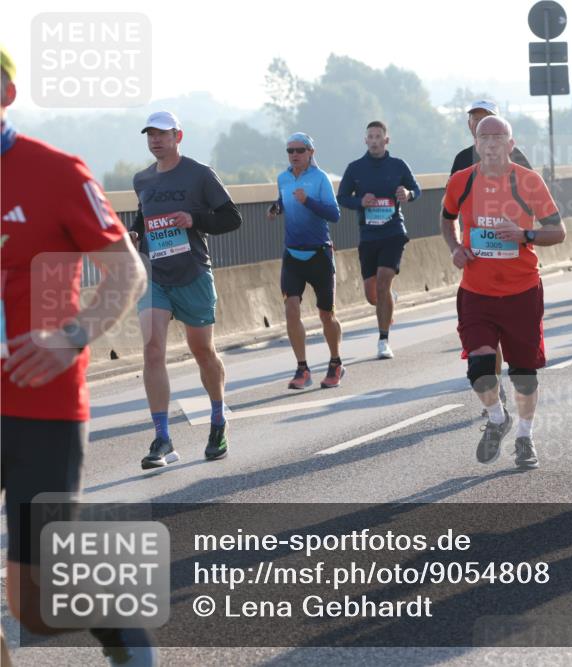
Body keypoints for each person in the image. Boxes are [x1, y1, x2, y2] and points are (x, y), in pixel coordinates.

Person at [0, 45, 157, 665]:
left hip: (41, 403)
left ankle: (121, 630)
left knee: (34, 601)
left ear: (6, 95)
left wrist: (71, 336)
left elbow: (127, 273)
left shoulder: (56, 172)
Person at [440, 115, 566, 469]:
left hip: (521, 292)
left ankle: (525, 437)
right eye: (485, 137)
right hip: (476, 292)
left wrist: (525, 235)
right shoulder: (461, 181)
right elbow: (447, 219)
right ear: (476, 144)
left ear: (511, 144)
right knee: (479, 369)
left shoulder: (528, 181)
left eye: (498, 137)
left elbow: (558, 231)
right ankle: (497, 417)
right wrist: (455, 247)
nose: (491, 143)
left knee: (523, 375)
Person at [129, 111, 243, 469]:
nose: (155, 140)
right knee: (152, 351)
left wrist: (195, 219)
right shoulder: (142, 179)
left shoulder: (200, 174)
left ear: (178, 136)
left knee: (203, 351)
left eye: (162, 134)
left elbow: (232, 218)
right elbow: (144, 216)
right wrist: (135, 233)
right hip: (156, 277)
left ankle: (218, 420)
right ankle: (162, 438)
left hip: (193, 274)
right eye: (150, 134)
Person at [451, 100, 531, 413]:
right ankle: (495, 390)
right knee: (485, 332)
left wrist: (521, 231)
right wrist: (457, 245)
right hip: (477, 255)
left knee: (508, 334)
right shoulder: (462, 159)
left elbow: (533, 198)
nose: (478, 123)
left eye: (484, 118)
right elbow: (451, 205)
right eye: (473, 119)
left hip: (511, 256)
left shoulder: (515, 154)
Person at [338, 121, 420, 360]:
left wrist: (408, 194)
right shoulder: (355, 168)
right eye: (370, 137)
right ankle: (388, 300)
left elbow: (416, 190)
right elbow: (342, 197)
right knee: (372, 294)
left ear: (386, 140)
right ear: (365, 141)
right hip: (368, 235)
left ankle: (383, 340)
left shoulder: (398, 165)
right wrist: (360, 201)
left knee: (383, 281)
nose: (374, 141)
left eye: (378, 136)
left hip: (393, 232)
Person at [270, 132, 344, 389]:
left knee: (326, 314)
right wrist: (276, 208)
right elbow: (283, 201)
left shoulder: (320, 178)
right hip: (293, 254)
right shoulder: (283, 178)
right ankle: (302, 368)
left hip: (319, 254)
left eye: (299, 150)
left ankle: (335, 362)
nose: (294, 155)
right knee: (291, 309)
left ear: (311, 152)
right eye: (290, 151)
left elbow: (334, 214)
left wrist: (308, 201)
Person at [450, 100, 531, 174]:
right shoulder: (462, 158)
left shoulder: (515, 155)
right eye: (476, 119)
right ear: (469, 124)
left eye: (486, 118)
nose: (481, 123)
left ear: (499, 123)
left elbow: (530, 182)